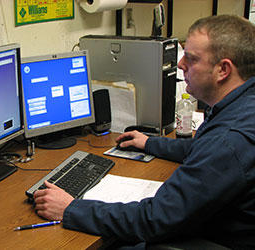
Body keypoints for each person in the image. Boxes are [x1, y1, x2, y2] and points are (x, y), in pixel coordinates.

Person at [33, 15, 255, 249]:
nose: (179, 65)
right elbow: (203, 149)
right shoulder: (241, 107)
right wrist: (150, 143)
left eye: (191, 58)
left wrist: (70, 209)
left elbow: (154, 219)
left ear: (223, 69)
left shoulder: (229, 139)